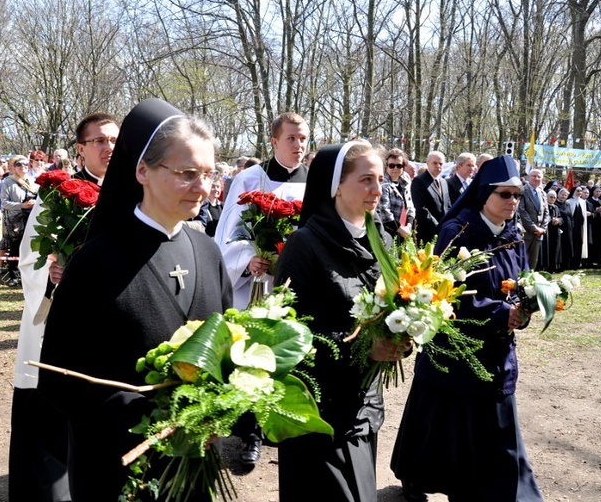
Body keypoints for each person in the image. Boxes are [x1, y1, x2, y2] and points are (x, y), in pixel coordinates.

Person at [37, 98, 233, 502]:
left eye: (209, 174)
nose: (203, 187)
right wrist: (153, 415)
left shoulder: (208, 251)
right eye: (187, 173)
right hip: (117, 470)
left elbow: (231, 346)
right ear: (142, 170)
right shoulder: (95, 262)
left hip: (193, 467)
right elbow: (58, 377)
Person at [391, 155, 543, 502]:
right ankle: (416, 476)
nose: (513, 202)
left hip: (496, 350)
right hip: (455, 350)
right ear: (484, 194)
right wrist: (499, 313)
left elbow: (520, 283)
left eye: (517, 196)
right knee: (439, 420)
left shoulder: (514, 235)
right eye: (505, 195)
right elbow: (447, 296)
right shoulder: (458, 230)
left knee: (496, 428)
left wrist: (529, 304)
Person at [274, 141, 409, 501]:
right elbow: (285, 339)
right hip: (318, 418)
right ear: (336, 185)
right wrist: (363, 347)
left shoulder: (379, 238)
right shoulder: (304, 246)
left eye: (380, 179)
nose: (378, 190)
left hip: (364, 410)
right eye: (366, 179)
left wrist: (407, 329)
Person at [8, 113, 120, 502]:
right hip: (55, 317)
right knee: (48, 414)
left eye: (114, 141)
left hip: (106, 321)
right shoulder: (57, 194)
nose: (109, 148)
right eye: (100, 141)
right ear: (81, 148)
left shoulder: (129, 193)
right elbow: (28, 258)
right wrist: (51, 273)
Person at [214, 112, 310, 465]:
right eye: (291, 139)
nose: (299, 146)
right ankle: (246, 432)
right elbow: (228, 232)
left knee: (283, 355)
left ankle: (277, 425)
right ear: (273, 141)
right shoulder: (249, 179)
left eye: (303, 138)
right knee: (249, 356)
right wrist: (248, 259)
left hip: (288, 284)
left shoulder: (313, 184)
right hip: (251, 284)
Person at [0, 156, 38, 286]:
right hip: (15, 220)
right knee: (15, 248)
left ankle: (27, 277)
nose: (23, 167)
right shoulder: (7, 182)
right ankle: (14, 276)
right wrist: (21, 205)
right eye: (19, 165)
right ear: (14, 168)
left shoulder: (33, 181)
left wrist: (34, 203)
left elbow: (39, 198)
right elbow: (4, 203)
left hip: (31, 218)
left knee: (30, 248)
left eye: (26, 164)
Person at [411, 150, 452, 244]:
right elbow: (421, 209)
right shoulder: (419, 181)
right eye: (435, 163)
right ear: (427, 163)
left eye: (441, 164)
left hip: (443, 232)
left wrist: (448, 225)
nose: (438, 166)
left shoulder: (444, 182)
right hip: (426, 233)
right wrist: (437, 226)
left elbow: (448, 205)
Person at [378, 148, 415, 243]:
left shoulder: (405, 179)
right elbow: (384, 211)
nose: (395, 169)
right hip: (388, 230)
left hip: (406, 229)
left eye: (399, 165)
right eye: (391, 165)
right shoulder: (383, 183)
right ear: (386, 166)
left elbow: (410, 205)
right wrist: (400, 229)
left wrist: (409, 226)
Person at [518, 168, 550, 269]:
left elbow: (546, 213)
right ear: (528, 177)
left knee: (533, 262)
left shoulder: (543, 193)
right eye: (534, 176)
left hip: (538, 234)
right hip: (526, 232)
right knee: (522, 260)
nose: (536, 178)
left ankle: (529, 282)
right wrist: (534, 228)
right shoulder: (522, 190)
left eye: (539, 176)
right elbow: (521, 211)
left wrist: (543, 229)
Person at [565, 186, 587, 269]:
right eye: (578, 191)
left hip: (580, 226)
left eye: (581, 191)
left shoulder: (583, 202)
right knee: (571, 243)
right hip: (572, 227)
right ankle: (570, 262)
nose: (579, 192)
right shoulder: (569, 201)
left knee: (579, 243)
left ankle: (577, 263)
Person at [541, 189, 562, 273]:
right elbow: (543, 216)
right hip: (547, 230)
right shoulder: (543, 206)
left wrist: (558, 220)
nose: (553, 199)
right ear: (546, 197)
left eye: (554, 197)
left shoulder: (556, 207)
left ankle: (554, 266)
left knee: (555, 248)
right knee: (547, 249)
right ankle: (546, 267)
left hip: (555, 230)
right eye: (551, 197)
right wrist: (551, 221)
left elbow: (560, 217)